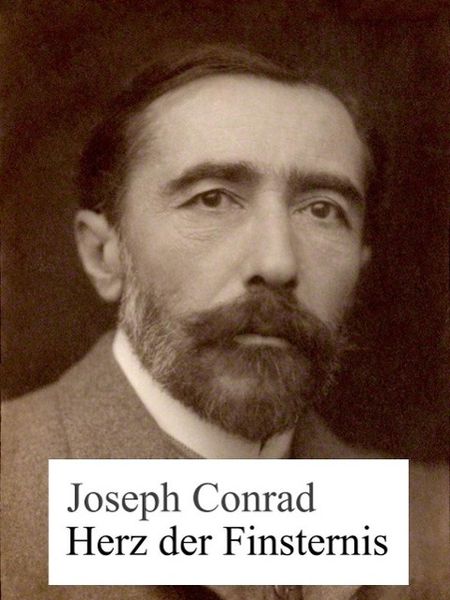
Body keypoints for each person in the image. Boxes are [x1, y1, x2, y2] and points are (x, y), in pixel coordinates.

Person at [1, 45, 447, 600]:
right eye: (212, 199)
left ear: (361, 263)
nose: (277, 264)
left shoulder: (433, 531)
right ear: (104, 255)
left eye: (322, 210)